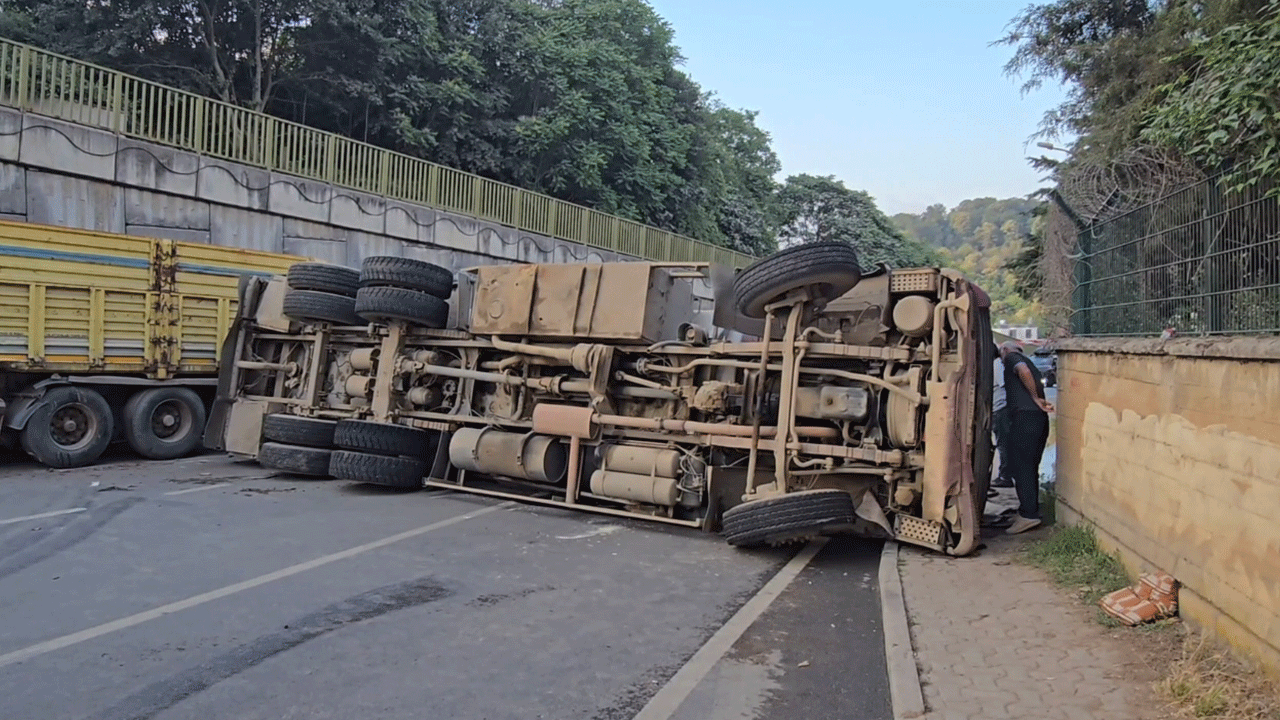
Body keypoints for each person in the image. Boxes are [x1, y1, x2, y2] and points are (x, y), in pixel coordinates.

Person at [999, 340, 1054, 534]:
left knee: (1020, 466)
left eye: (1000, 355)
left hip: (1025, 419)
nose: (1001, 360)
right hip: (1037, 421)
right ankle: (1027, 510)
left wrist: (1034, 397)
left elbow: (1023, 370)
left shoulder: (1012, 357)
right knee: (1029, 467)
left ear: (1005, 350)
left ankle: (1029, 515)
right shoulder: (1030, 361)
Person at [991, 344, 1012, 490]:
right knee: (1002, 443)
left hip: (1000, 408)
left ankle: (1005, 476)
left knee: (1003, 444)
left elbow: (1004, 383)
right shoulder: (997, 364)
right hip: (999, 408)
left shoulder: (996, 364)